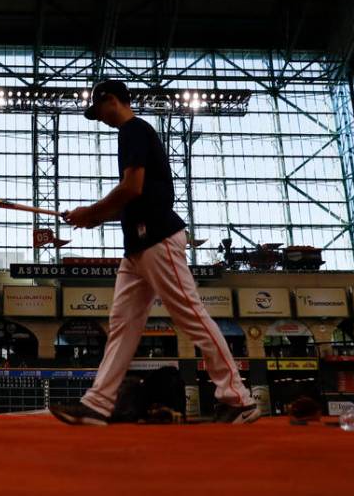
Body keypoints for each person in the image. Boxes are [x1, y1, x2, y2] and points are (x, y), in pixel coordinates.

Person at [49, 79, 260, 426]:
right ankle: (98, 404)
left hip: (158, 238)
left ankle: (239, 399)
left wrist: (92, 211)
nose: (98, 118)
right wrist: (94, 217)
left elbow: (131, 188)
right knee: (122, 325)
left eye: (98, 110)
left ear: (111, 100)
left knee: (191, 316)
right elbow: (137, 197)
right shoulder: (134, 133)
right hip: (138, 247)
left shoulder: (132, 130)